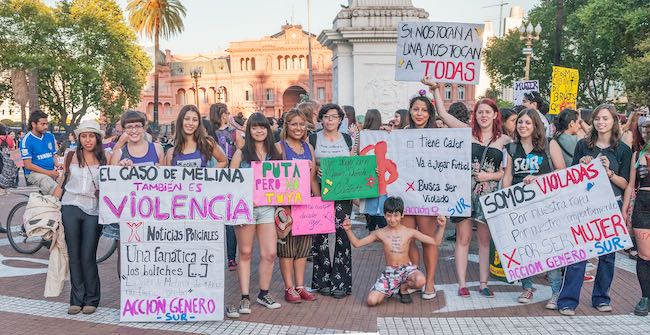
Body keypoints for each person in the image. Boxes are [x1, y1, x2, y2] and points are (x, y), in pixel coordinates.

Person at [427, 78, 511, 298]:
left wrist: (490, 175)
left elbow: (506, 171)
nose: (483, 116)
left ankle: (483, 283)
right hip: (463, 193)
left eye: (487, 112)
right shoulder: (466, 132)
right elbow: (444, 116)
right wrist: (435, 89)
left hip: (489, 196)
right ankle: (462, 284)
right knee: (463, 238)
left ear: (495, 115)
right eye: (480, 112)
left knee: (484, 241)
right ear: (475, 115)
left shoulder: (504, 140)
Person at [557, 104, 632, 316]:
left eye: (605, 118)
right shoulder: (583, 145)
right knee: (578, 254)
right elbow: (572, 177)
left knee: (607, 256)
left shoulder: (623, 150)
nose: (601, 122)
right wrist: (582, 166)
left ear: (614, 121)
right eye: (598, 118)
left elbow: (625, 183)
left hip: (610, 206)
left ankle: (601, 298)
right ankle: (568, 301)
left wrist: (609, 173)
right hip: (585, 206)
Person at [501, 108, 566, 305]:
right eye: (520, 122)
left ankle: (556, 292)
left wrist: (538, 179)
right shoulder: (512, 148)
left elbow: (562, 172)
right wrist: (505, 202)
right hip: (520, 206)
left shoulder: (549, 145)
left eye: (528, 123)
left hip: (545, 206)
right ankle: (527, 287)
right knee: (524, 248)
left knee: (549, 247)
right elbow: (508, 177)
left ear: (535, 125)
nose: (523, 126)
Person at [342, 196, 446, 306]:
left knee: (421, 280)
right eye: (389, 215)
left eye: (396, 215)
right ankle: (391, 289)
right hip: (390, 273)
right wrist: (348, 230)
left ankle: (403, 287)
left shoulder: (409, 232)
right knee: (371, 301)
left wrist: (442, 227)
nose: (392, 219)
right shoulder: (380, 233)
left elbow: (435, 241)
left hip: (407, 270)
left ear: (402, 215)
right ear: (384, 215)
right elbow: (357, 243)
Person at [230, 113, 282, 313]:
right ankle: (245, 296)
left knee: (269, 253)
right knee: (245, 252)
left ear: (268, 130)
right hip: (246, 209)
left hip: (268, 208)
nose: (259, 131)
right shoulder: (241, 154)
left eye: (263, 127)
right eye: (254, 127)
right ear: (248, 130)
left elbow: (285, 179)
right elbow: (231, 183)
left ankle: (263, 293)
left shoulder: (275, 152)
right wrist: (240, 203)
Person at [56, 120, 106, 315]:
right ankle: (76, 299)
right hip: (70, 207)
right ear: (79, 138)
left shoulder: (105, 158)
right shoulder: (70, 156)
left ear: (97, 138)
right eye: (84, 136)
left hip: (93, 210)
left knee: (88, 256)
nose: (87, 140)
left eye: (91, 136)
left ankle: (92, 298)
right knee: (74, 256)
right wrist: (53, 205)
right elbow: (62, 182)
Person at [106, 110, 164, 277]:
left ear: (144, 127)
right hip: (126, 214)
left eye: (137, 126)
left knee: (152, 254)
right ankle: (128, 297)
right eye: (129, 127)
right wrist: (118, 168)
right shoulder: (118, 153)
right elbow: (110, 184)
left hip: (152, 213)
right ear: (123, 130)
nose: (133, 130)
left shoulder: (157, 149)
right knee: (124, 254)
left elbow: (168, 184)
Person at [310, 103, 355, 299]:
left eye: (334, 117)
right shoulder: (313, 138)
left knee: (342, 234)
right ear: (321, 119)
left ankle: (341, 282)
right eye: (326, 116)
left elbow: (354, 164)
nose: (330, 120)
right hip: (319, 190)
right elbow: (308, 163)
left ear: (340, 120)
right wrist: (316, 169)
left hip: (343, 193)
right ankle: (322, 281)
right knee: (320, 236)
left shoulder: (347, 139)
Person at [274, 109, 319, 304]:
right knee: (287, 248)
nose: (298, 128)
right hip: (286, 205)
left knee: (302, 249)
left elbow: (312, 178)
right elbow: (272, 178)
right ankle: (289, 287)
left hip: (306, 204)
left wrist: (320, 202)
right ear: (286, 126)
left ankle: (300, 286)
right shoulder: (278, 148)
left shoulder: (308, 148)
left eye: (301, 124)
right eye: (294, 124)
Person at [208, 103, 244, 271]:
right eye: (226, 112)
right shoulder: (209, 133)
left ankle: (231, 257)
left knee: (229, 218)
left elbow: (242, 148)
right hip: (213, 173)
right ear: (220, 114)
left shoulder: (233, 132)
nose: (228, 115)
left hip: (230, 174)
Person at [623, 116, 650, 317]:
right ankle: (645, 296)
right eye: (644, 129)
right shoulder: (636, 155)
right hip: (642, 204)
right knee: (645, 255)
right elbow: (631, 185)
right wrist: (625, 209)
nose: (646, 132)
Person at [21, 110, 61, 197]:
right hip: (34, 174)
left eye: (46, 124)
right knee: (51, 185)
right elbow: (28, 165)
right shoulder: (26, 140)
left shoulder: (50, 136)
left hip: (51, 170)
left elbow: (53, 154)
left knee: (68, 182)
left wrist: (58, 164)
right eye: (42, 124)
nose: (46, 126)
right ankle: (53, 207)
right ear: (34, 124)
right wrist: (49, 173)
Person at [359, 109, 387, 231]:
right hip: (380, 173)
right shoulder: (383, 134)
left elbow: (357, 153)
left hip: (365, 173)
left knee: (367, 200)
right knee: (380, 198)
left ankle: (371, 228)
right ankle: (381, 226)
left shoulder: (362, 134)